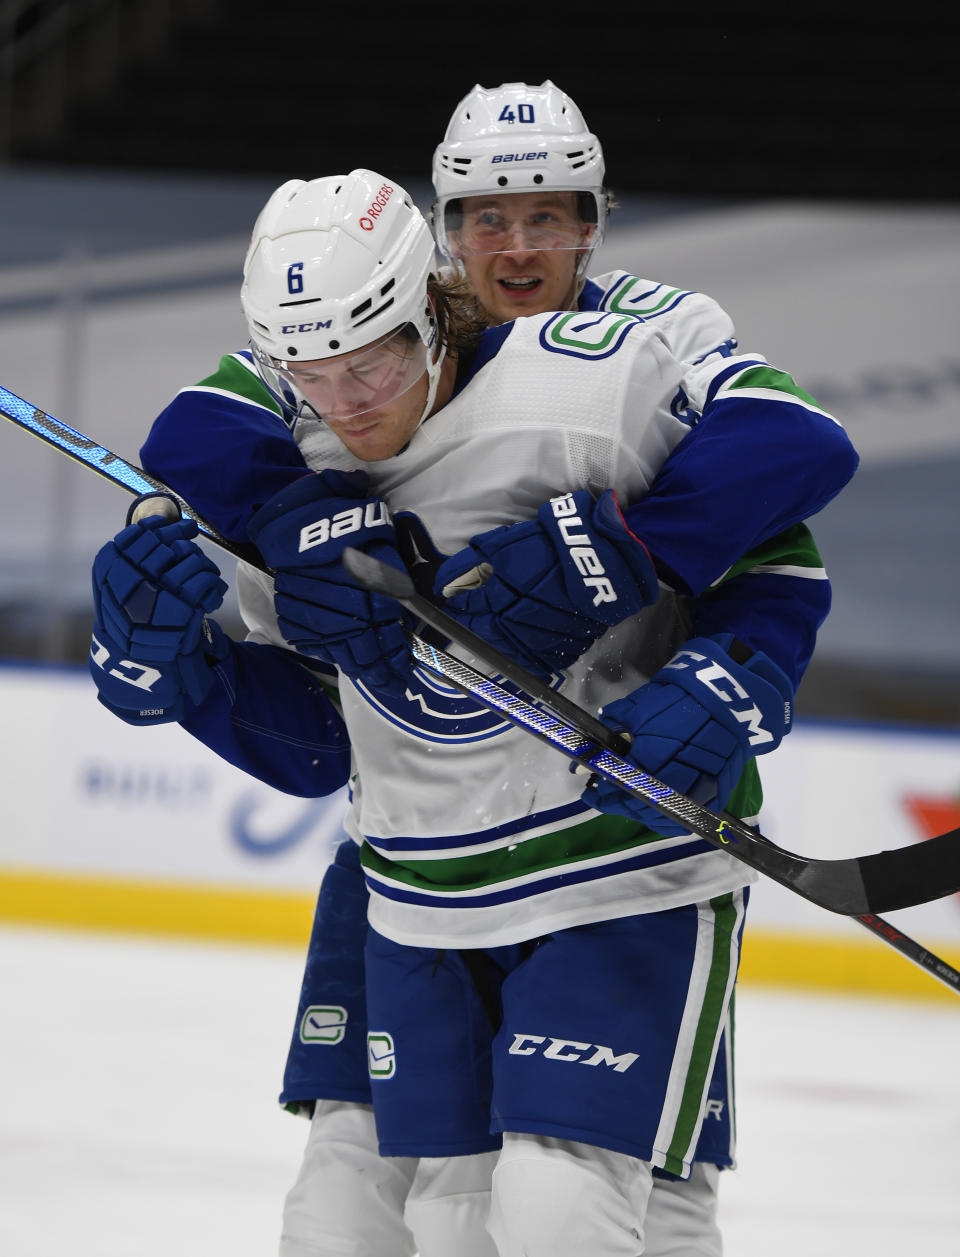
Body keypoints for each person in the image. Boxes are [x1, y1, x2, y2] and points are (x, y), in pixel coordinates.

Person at [88, 164, 857, 1256]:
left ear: (427, 304)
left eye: (377, 360)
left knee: (558, 1216)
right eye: (313, 373)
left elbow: (787, 485)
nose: (350, 401)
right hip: (416, 890)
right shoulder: (282, 445)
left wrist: (724, 657)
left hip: (616, 871)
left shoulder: (596, 376)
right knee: (375, 1222)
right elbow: (314, 737)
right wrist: (184, 674)